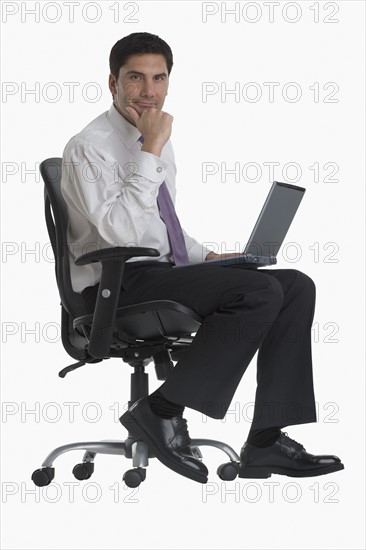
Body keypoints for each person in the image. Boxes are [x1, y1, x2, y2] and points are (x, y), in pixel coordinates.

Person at [61, 32, 344, 484]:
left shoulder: (154, 135)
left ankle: (266, 442)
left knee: (294, 286)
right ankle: (160, 409)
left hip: (159, 271)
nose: (149, 91)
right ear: (112, 82)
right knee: (257, 290)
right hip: (117, 286)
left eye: (159, 78)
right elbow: (120, 233)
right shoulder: (88, 147)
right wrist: (150, 152)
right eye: (136, 78)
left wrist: (208, 256)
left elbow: (159, 226)